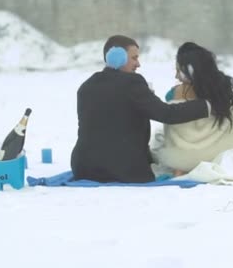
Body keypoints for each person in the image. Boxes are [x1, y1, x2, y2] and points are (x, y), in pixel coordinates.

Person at [70, 35, 210, 183]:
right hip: (124, 170)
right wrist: (206, 105)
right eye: (134, 58)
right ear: (117, 58)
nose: (138, 64)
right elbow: (167, 114)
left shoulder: (86, 86)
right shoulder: (132, 83)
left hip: (83, 168)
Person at [153, 42, 233, 175]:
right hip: (220, 146)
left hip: (185, 152)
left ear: (190, 70)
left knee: (173, 115)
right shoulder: (220, 88)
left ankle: (181, 167)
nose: (176, 76)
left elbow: (171, 113)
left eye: (178, 71)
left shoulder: (180, 91)